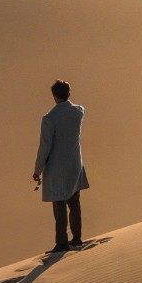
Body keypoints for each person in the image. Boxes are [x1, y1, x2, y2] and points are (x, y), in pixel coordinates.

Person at [32, 79, 90, 252]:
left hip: (57, 167)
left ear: (54, 95)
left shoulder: (49, 119)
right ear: (69, 93)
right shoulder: (78, 111)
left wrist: (37, 170)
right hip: (74, 163)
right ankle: (77, 238)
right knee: (74, 201)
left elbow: (45, 147)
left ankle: (62, 242)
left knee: (59, 205)